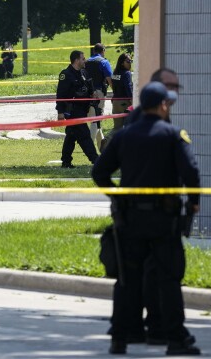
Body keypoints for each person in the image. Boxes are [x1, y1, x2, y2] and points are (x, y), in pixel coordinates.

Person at [92, 82, 201, 356]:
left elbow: (99, 172)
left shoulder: (123, 136)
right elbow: (191, 172)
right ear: (163, 105)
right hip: (164, 220)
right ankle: (175, 340)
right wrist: (194, 203)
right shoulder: (174, 135)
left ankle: (119, 338)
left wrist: (118, 197)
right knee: (168, 279)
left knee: (127, 279)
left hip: (131, 219)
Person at [56, 50, 99, 168]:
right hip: (72, 111)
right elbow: (60, 95)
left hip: (82, 109)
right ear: (76, 60)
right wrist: (60, 112)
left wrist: (93, 94)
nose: (85, 60)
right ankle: (96, 160)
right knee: (84, 135)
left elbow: (89, 87)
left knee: (71, 136)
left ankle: (66, 161)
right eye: (83, 58)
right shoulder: (66, 74)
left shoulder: (83, 73)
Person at [100, 53, 133, 150]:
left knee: (117, 127)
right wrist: (132, 101)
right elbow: (128, 88)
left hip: (116, 102)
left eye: (131, 61)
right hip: (125, 103)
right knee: (129, 126)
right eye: (128, 61)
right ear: (122, 63)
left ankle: (107, 139)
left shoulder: (115, 73)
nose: (130, 63)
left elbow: (114, 87)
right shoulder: (126, 73)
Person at [85, 43, 113, 150]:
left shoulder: (86, 62)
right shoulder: (104, 62)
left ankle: (101, 145)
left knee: (96, 118)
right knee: (95, 119)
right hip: (99, 93)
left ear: (93, 51)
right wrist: (116, 92)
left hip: (87, 93)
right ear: (103, 51)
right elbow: (109, 79)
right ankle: (90, 146)